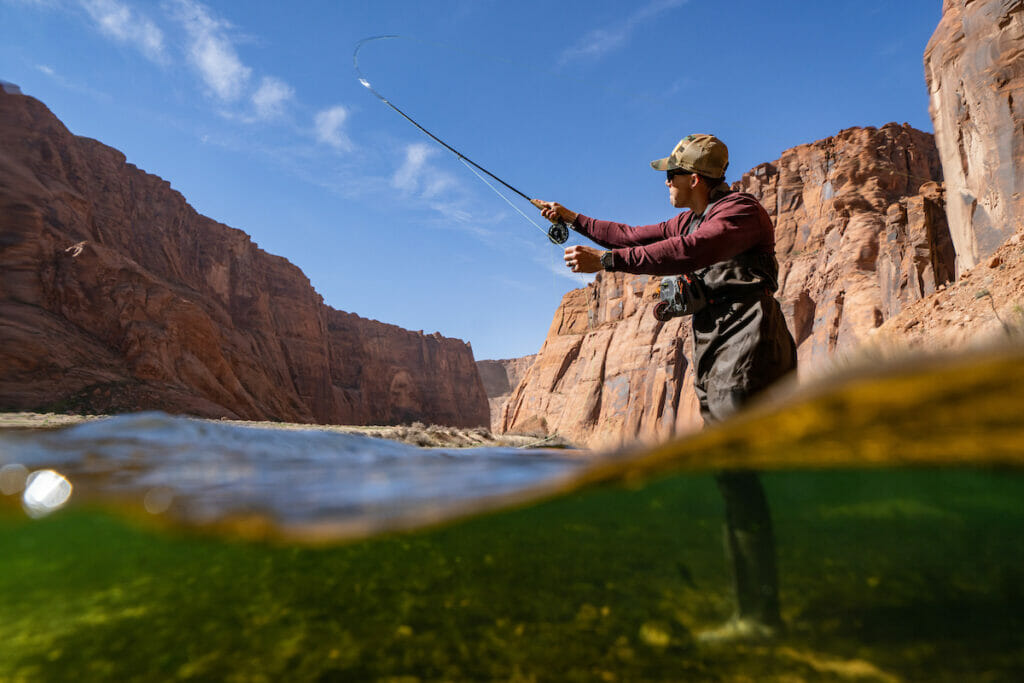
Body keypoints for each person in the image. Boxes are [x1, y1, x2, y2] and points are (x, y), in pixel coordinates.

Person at [537, 133, 797, 643]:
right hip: (716, 342)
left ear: (694, 178)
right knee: (734, 479)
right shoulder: (690, 215)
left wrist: (604, 264)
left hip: (747, 341)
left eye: (670, 176)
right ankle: (756, 611)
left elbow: (687, 252)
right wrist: (571, 217)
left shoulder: (739, 212)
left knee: (737, 477)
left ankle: (759, 618)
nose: (666, 184)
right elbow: (630, 234)